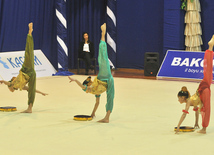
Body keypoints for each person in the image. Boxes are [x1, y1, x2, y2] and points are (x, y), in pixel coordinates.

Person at [68, 23, 114, 123]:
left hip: (103, 77)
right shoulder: (91, 90)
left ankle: (106, 117)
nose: (90, 81)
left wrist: (75, 79)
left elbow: (96, 102)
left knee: (101, 58)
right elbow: (93, 95)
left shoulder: (91, 89)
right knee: (103, 58)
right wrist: (89, 87)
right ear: (88, 85)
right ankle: (103, 33)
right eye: (89, 82)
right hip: (106, 78)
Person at [0, 23, 48, 113]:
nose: (10, 90)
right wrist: (42, 93)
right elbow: (32, 89)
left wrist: (2, 81)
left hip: (26, 69)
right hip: (31, 74)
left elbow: (7, 83)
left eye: (10, 89)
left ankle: (30, 33)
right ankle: (29, 108)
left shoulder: (12, 84)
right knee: (31, 91)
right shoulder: (19, 87)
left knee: (28, 53)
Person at [176, 35, 214, 134]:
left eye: (179, 98)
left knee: (206, 109)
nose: (178, 100)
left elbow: (184, 115)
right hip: (202, 88)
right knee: (208, 72)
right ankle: (210, 48)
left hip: (203, 90)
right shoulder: (191, 100)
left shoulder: (189, 102)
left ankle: (204, 129)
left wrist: (179, 126)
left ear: (183, 98)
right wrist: (196, 123)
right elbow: (196, 111)